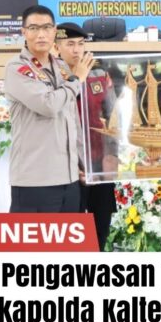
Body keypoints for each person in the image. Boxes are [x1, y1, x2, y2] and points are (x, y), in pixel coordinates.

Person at [4, 5, 94, 213]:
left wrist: (81, 164)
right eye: (33, 28)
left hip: (69, 179)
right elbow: (48, 105)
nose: (41, 34)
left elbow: (72, 120)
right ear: (24, 32)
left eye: (46, 28)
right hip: (35, 181)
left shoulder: (62, 67)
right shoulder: (17, 68)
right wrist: (77, 80)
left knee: (69, 236)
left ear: (54, 31)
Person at [54, 22, 118, 250]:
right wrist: (73, 166)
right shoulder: (51, 79)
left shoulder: (100, 75)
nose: (76, 50)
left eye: (80, 44)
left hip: (100, 167)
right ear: (56, 48)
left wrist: (113, 156)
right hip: (66, 171)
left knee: (100, 231)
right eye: (70, 44)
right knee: (70, 236)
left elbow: (114, 119)